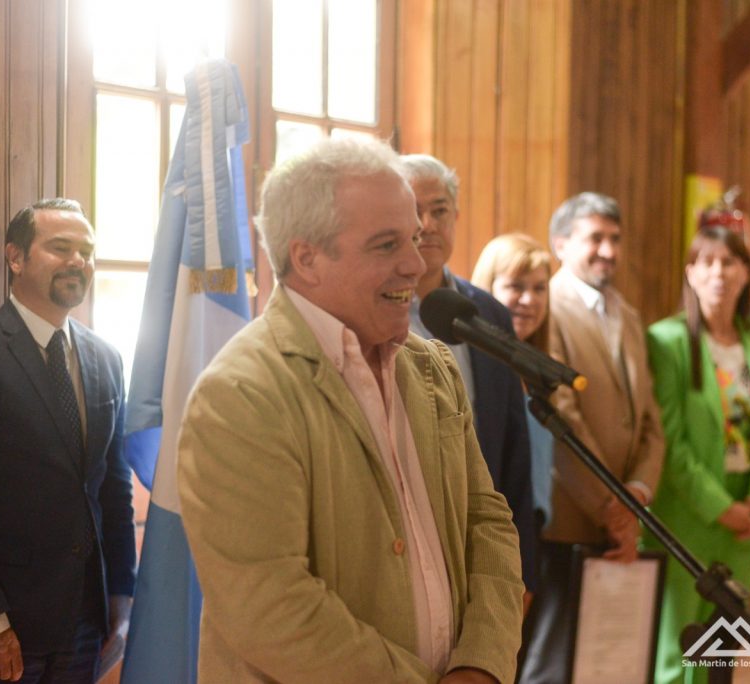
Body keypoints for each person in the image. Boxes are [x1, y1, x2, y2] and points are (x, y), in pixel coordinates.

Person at [176, 138, 524, 683]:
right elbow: (268, 605)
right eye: (387, 245)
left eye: (414, 238)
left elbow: (488, 524)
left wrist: (482, 664)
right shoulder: (240, 393)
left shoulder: (432, 366)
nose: (415, 264)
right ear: (306, 258)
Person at [0, 199, 136, 683]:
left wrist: (122, 597)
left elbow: (113, 487)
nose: (78, 261)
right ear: (15, 258)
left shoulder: (106, 359)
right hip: (2, 628)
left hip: (86, 622)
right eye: (61, 247)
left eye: (86, 251)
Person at [519, 192, 664, 684]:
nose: (608, 250)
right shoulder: (547, 307)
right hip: (568, 520)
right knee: (550, 667)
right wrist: (610, 506)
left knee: (604, 667)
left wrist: (637, 494)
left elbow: (649, 420)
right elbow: (559, 415)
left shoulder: (628, 314)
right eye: (595, 238)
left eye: (615, 239)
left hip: (620, 521)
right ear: (561, 243)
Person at [644, 226, 750, 684]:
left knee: (719, 653)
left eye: (729, 262)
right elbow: (671, 444)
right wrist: (721, 508)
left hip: (748, 515)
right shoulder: (667, 339)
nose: (719, 273)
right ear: (690, 272)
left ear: (746, 272)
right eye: (706, 262)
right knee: (678, 655)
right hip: (688, 514)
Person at [397, 154, 538, 601]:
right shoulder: (374, 310)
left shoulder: (488, 313)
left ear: (456, 216)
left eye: (439, 210)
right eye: (413, 211)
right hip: (402, 536)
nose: (427, 225)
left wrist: (521, 569)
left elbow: (513, 445)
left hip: (480, 538)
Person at [470, 233, 555, 535]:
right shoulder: (471, 368)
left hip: (534, 530)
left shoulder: (541, 370)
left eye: (539, 288)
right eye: (515, 287)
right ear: (486, 290)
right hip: (491, 533)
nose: (529, 300)